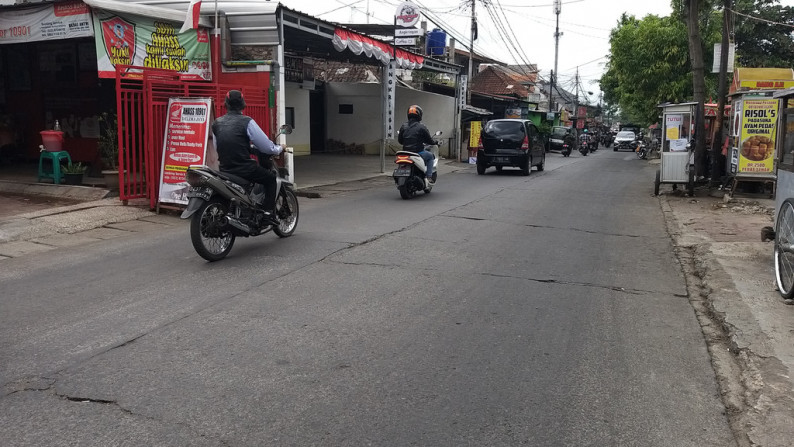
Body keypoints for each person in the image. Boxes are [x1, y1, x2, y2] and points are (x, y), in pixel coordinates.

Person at [212, 90, 282, 225]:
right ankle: (268, 214)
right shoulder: (247, 122)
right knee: (271, 179)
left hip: (225, 169)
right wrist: (279, 148)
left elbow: (219, 147)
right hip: (245, 169)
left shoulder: (217, 123)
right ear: (242, 104)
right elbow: (266, 147)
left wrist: (247, 149)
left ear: (226, 104)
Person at [397, 105, 438, 185]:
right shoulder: (422, 127)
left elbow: (400, 141)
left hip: (405, 152)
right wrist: (434, 142)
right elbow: (429, 140)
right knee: (430, 157)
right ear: (419, 115)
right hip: (418, 152)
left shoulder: (403, 126)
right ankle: (429, 176)